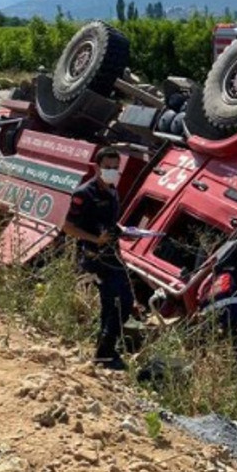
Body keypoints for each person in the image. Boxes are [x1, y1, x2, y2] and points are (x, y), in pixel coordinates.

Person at [61, 147, 135, 370]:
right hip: (94, 257)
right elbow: (68, 227)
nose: (112, 172)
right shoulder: (85, 194)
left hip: (112, 255)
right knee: (114, 303)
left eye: (115, 168)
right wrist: (95, 239)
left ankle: (106, 349)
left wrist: (122, 231)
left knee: (125, 302)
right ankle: (104, 354)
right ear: (97, 167)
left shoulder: (112, 191)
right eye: (108, 168)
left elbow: (111, 222)